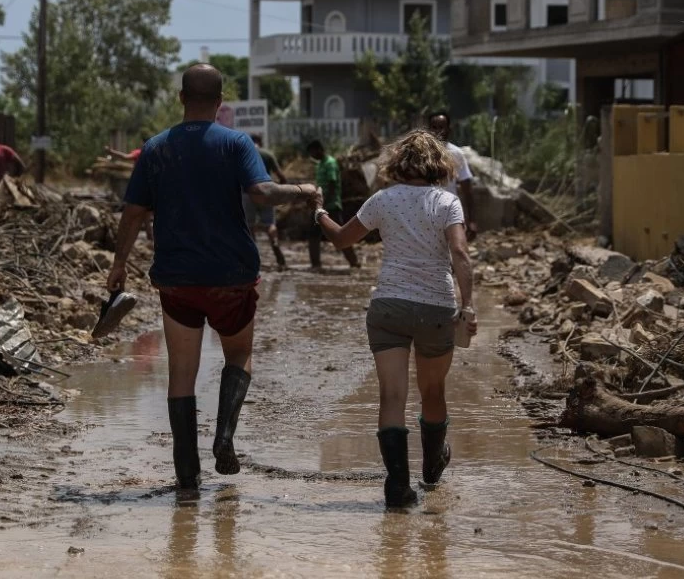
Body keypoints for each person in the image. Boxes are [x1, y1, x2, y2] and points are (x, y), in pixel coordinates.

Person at [107, 64, 321, 492]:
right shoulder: (237, 143)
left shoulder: (155, 148)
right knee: (239, 355)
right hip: (231, 276)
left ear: (181, 98)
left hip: (176, 279)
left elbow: (132, 214)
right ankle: (225, 436)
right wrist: (303, 190)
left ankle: (187, 477)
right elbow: (261, 193)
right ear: (220, 102)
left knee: (181, 375)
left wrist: (118, 265)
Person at [314, 130, 477, 508]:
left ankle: (398, 488)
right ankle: (432, 466)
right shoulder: (447, 202)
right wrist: (467, 306)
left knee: (391, 396)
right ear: (439, 165)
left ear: (397, 164)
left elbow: (340, 240)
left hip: (388, 307)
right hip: (436, 307)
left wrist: (320, 212)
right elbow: (461, 256)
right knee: (432, 392)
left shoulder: (382, 200)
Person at [306, 140, 360, 270]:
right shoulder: (319, 165)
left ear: (319, 149)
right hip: (319, 206)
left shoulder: (330, 163)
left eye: (313, 152)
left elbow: (332, 184)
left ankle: (354, 263)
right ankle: (315, 265)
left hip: (331, 206)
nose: (312, 156)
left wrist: (323, 203)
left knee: (342, 235)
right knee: (313, 235)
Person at [426, 112, 478, 240]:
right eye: (434, 127)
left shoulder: (456, 154)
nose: (438, 131)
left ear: (449, 129)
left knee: (454, 252)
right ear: (429, 130)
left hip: (449, 212)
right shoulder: (422, 154)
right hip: (425, 214)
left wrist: (471, 220)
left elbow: (467, 189)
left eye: (442, 127)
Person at [243, 134, 288, 270]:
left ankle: (253, 257)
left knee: (249, 226)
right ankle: (275, 244)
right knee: (270, 224)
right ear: (260, 142)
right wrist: (280, 193)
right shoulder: (268, 154)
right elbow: (281, 176)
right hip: (266, 192)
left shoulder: (243, 155)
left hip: (248, 193)